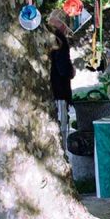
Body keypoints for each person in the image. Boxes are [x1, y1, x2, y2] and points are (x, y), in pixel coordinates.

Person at [47, 13, 75, 152]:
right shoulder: (59, 39)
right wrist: (71, 71)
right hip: (59, 90)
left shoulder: (44, 37)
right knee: (61, 130)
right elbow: (63, 68)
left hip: (47, 90)